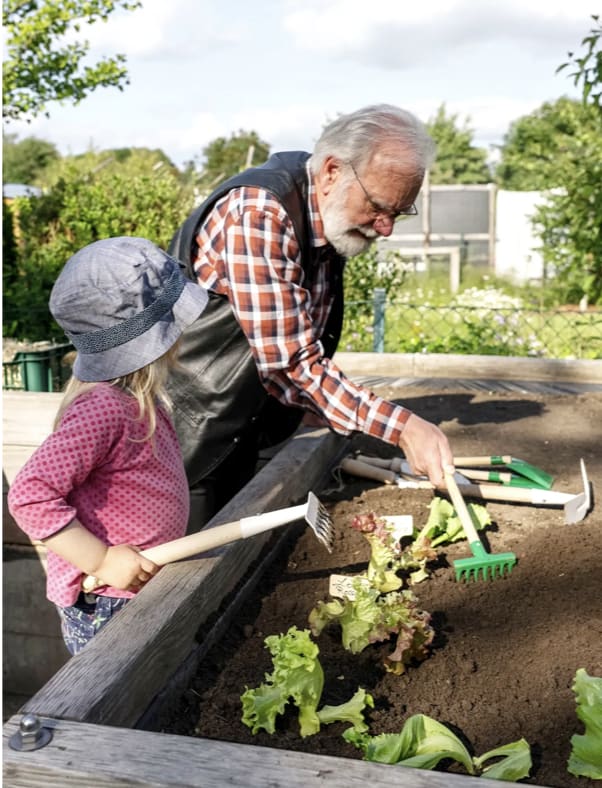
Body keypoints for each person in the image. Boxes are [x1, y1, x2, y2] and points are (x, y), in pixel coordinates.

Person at [166, 103, 454, 527]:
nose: (386, 227)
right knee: (188, 558)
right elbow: (291, 360)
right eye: (378, 206)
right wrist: (404, 427)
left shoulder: (328, 210)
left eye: (398, 212)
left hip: (242, 425)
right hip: (188, 439)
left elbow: (298, 330)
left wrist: (316, 407)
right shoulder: (258, 213)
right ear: (332, 171)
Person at [7, 237, 209, 655]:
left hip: (138, 587)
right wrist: (100, 561)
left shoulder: (140, 400)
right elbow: (29, 496)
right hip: (108, 601)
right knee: (113, 688)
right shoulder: (105, 407)